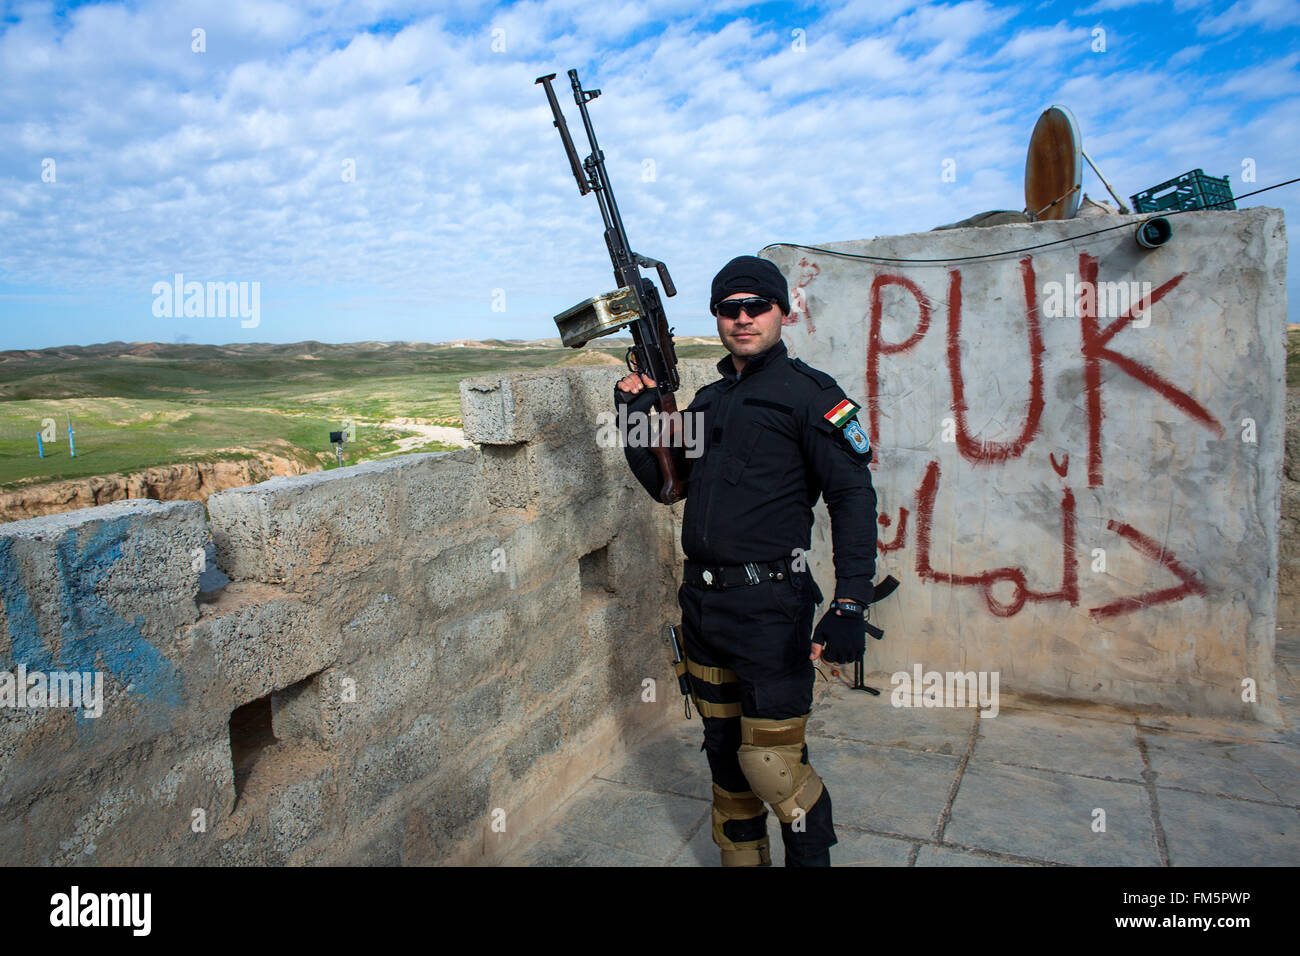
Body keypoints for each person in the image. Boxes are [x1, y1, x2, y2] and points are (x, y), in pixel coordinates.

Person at [614, 255, 879, 867]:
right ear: (716, 318)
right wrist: (636, 415)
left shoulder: (811, 396)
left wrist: (850, 600)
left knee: (774, 766)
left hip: (771, 609)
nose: (743, 318)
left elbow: (852, 496)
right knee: (725, 757)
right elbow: (666, 486)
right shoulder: (707, 402)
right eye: (729, 309)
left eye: (756, 306)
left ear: (784, 311)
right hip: (704, 608)